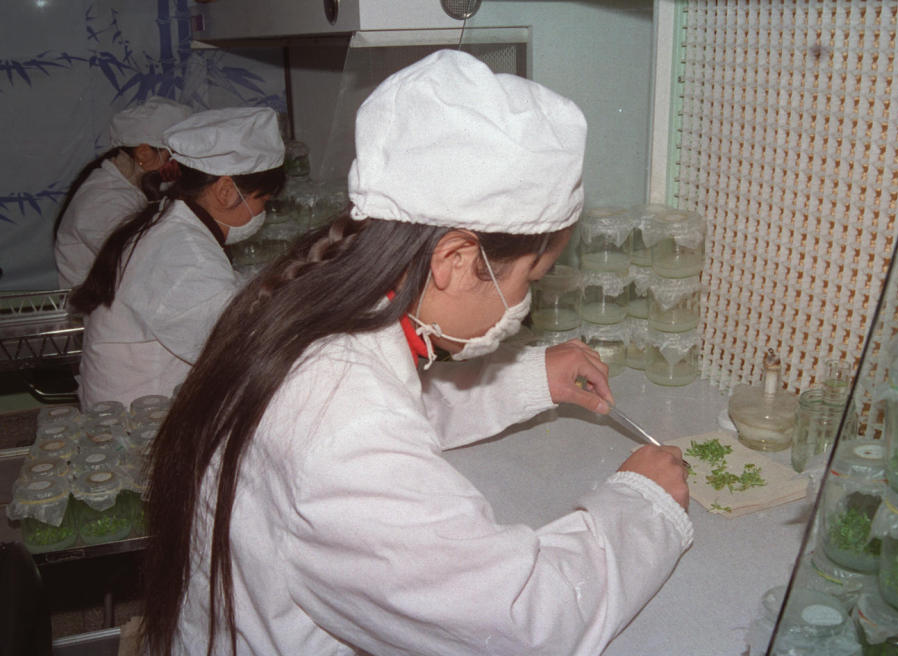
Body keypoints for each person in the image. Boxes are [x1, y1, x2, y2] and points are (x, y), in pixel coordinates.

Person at [143, 50, 692, 656]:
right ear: (455, 259)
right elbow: (520, 622)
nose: (523, 303)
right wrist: (642, 502)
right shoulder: (340, 422)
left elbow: (395, 411)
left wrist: (534, 378)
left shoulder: (320, 305)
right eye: (530, 279)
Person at [70, 107, 286, 410]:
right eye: (262, 199)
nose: (263, 212)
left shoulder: (170, 219)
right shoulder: (186, 255)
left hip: (133, 399)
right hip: (136, 418)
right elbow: (241, 346)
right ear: (226, 190)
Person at [54, 96, 193, 288]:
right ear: (144, 152)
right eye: (176, 156)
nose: (181, 165)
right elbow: (144, 263)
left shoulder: (136, 184)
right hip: (99, 304)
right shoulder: (103, 200)